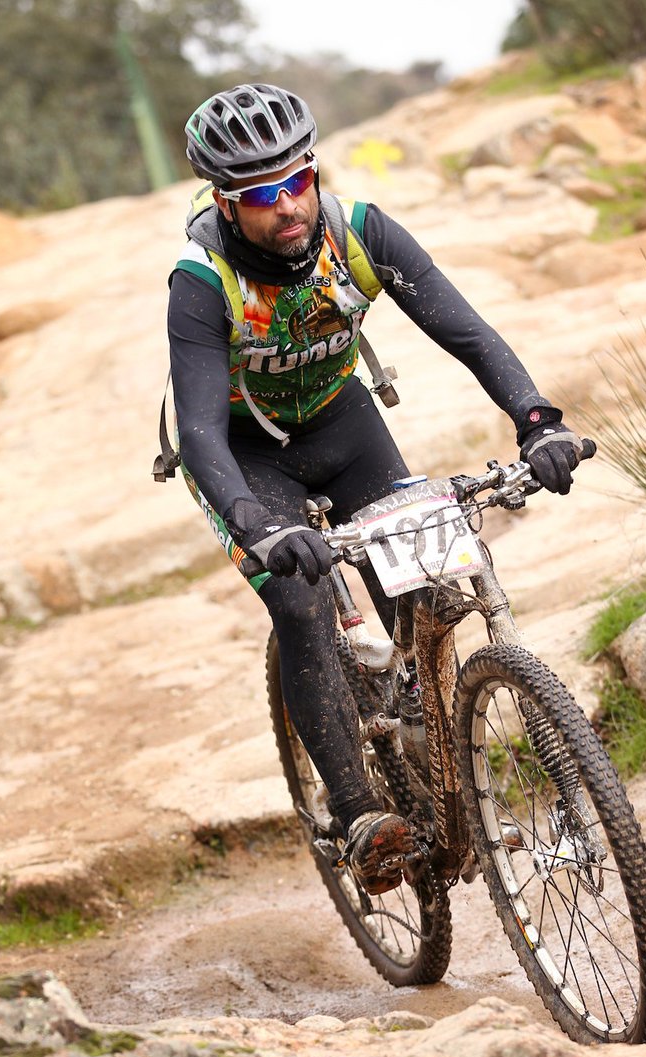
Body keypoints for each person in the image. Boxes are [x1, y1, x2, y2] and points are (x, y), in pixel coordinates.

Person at [165, 83, 584, 895]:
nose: (287, 206)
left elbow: (465, 330)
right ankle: (360, 815)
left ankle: (429, 729)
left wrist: (537, 422)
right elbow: (199, 436)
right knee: (299, 599)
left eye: (298, 180)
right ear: (225, 202)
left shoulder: (361, 234)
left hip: (341, 421)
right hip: (246, 456)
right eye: (260, 195)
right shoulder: (201, 280)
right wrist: (256, 525)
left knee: (422, 580)